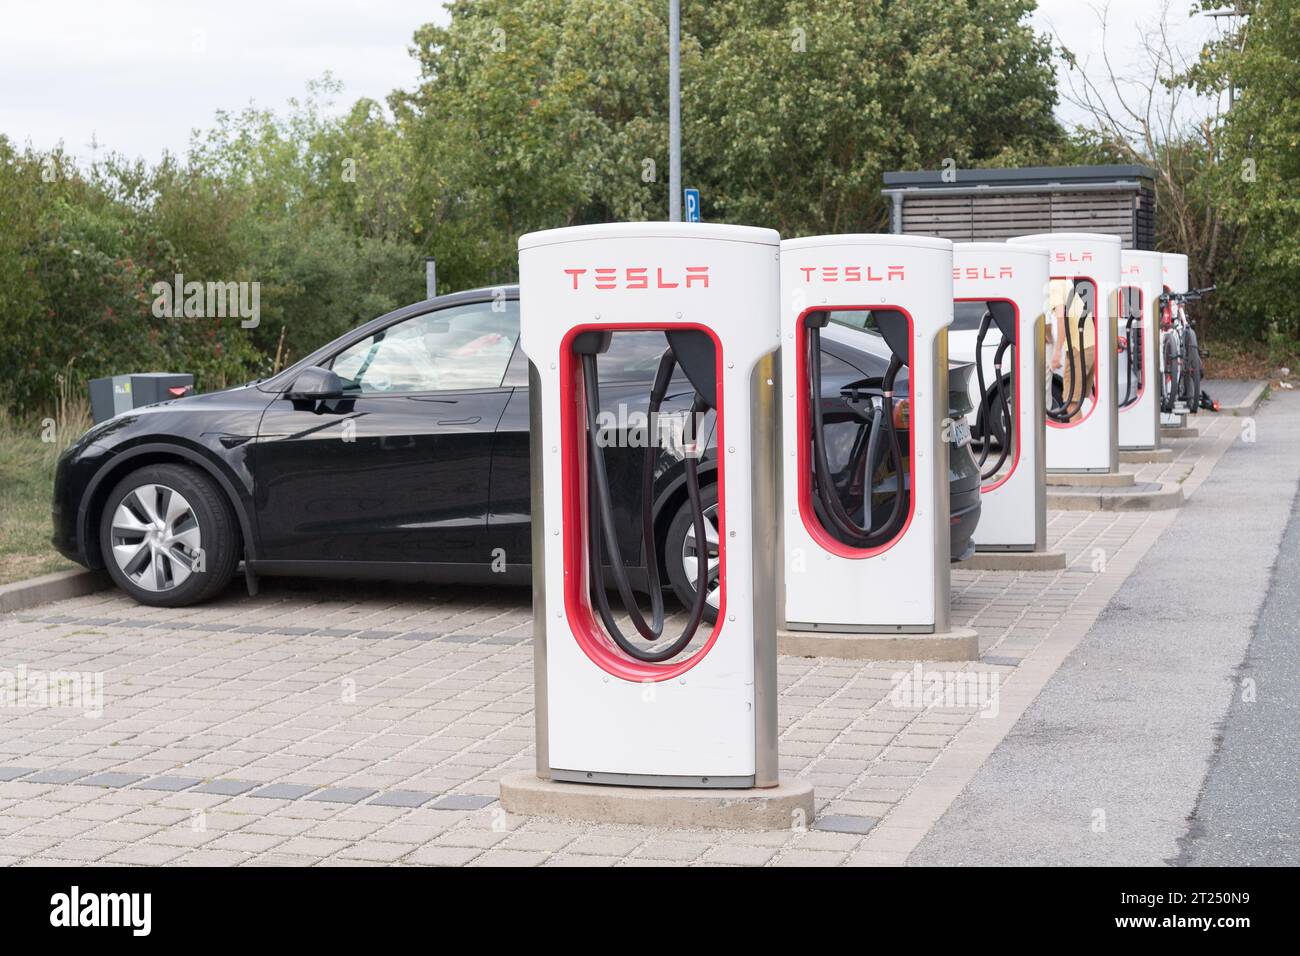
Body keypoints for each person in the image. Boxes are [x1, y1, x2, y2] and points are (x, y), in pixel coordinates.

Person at [1048, 278, 1094, 422]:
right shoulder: (1066, 283)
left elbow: (1062, 317)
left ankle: (1080, 441)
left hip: (1078, 347)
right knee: (1076, 399)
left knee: (1070, 400)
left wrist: (1057, 352)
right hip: (1089, 345)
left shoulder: (1055, 284)